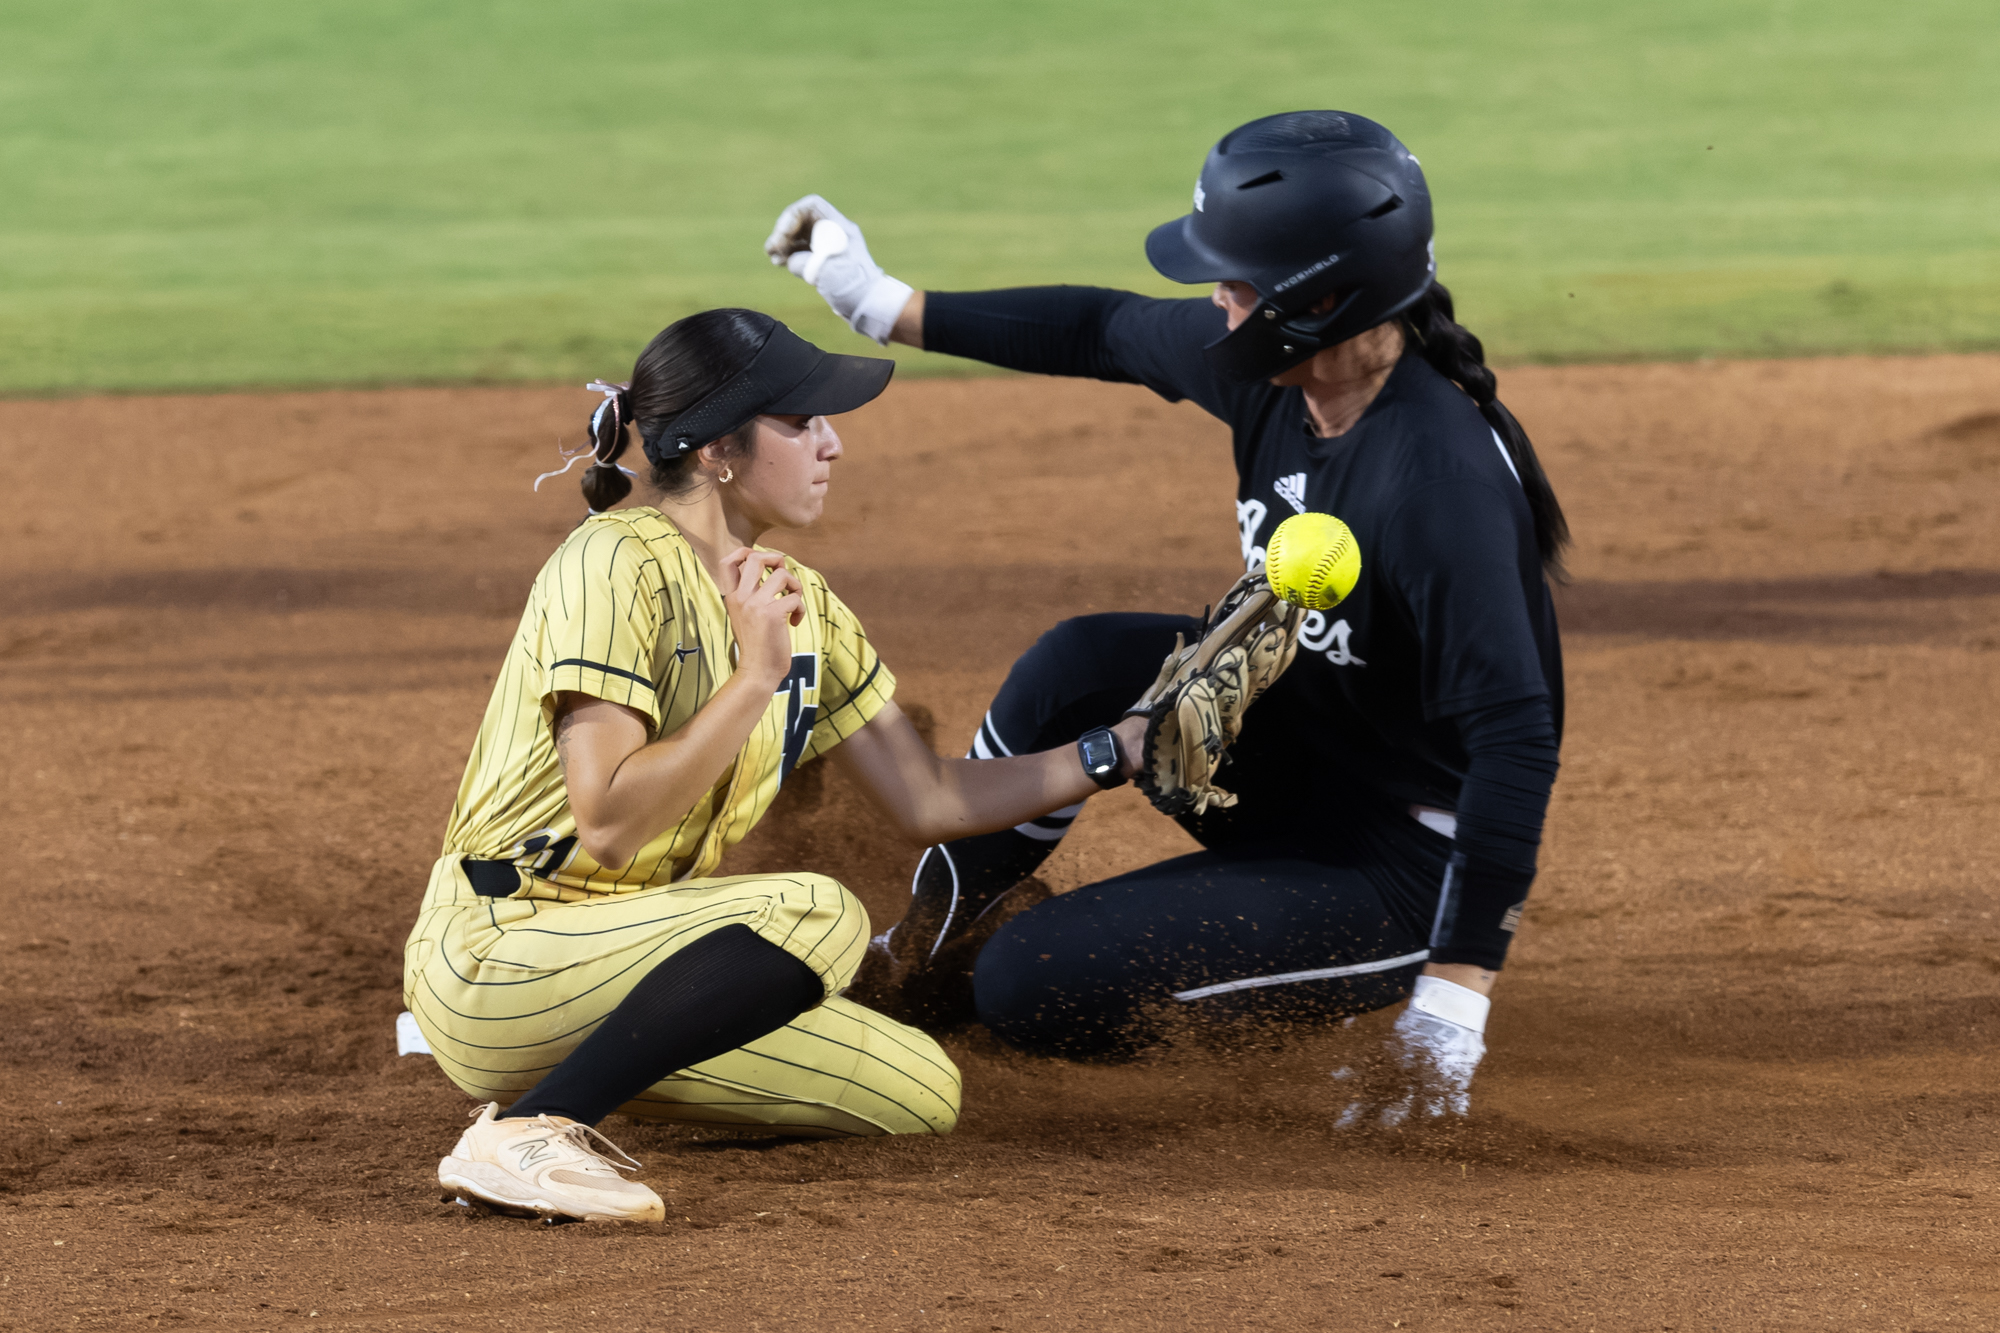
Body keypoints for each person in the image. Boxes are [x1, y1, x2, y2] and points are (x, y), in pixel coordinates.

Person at [765, 110, 1566, 1123]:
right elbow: (1099, 327)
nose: (1215, 303)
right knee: (1085, 659)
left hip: (1402, 861)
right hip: (1303, 760)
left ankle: (1373, 967)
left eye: (1234, 284)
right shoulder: (1285, 379)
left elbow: (1515, 737)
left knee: (1025, 984)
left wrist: (1454, 1001)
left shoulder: (1434, 481)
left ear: (1318, 301)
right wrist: (879, 303)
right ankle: (913, 947)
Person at [404, 309, 1150, 1222]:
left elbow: (928, 796)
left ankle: (592, 1072)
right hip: (499, 948)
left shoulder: (807, 604)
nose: (832, 445)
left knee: (920, 1090)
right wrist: (756, 675)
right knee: (817, 912)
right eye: (803, 423)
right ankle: (530, 1127)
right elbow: (607, 819)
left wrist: (1116, 750)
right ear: (720, 448)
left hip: (635, 966)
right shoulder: (611, 564)